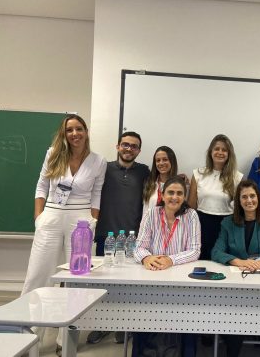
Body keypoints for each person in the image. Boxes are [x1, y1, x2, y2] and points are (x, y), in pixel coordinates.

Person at [22, 114, 107, 355]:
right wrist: (38, 218)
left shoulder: (98, 161)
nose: (75, 134)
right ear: (64, 133)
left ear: (86, 131)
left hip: (80, 221)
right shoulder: (53, 153)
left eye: (79, 129)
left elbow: (97, 194)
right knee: (38, 276)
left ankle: (65, 338)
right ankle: (27, 335)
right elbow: (41, 186)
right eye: (70, 130)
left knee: (76, 279)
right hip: (51, 215)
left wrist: (92, 222)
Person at [211, 179, 260, 356]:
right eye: (244, 197)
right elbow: (216, 251)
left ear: (259, 198)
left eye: (252, 196)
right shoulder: (228, 223)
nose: (249, 200)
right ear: (238, 200)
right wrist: (238, 261)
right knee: (235, 309)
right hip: (234, 283)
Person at [87, 131, 150, 345]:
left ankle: (123, 325)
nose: (129, 148)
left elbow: (160, 186)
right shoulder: (104, 168)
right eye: (125, 144)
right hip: (106, 235)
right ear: (117, 146)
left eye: (134, 146)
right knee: (103, 286)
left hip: (132, 238)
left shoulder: (144, 171)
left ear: (139, 150)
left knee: (128, 285)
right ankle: (101, 326)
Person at [133, 175, 201, 357]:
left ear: (185, 197)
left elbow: (195, 251)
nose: (175, 197)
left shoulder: (191, 216)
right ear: (162, 195)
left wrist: (171, 260)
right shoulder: (151, 214)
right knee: (142, 315)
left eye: (179, 193)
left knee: (185, 316)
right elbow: (139, 246)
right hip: (152, 276)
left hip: (180, 280)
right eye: (171, 192)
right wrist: (146, 258)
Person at [188, 134, 243, 260]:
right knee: (203, 262)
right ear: (210, 152)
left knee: (224, 263)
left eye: (224, 150)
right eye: (217, 149)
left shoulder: (237, 177)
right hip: (202, 225)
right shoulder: (198, 174)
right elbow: (191, 207)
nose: (220, 152)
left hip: (227, 226)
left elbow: (239, 210)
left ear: (229, 154)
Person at [143, 145, 180, 214]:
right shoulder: (150, 183)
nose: (161, 163)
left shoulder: (179, 185)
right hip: (150, 223)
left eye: (165, 159)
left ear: (172, 161)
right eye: (158, 160)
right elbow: (145, 210)